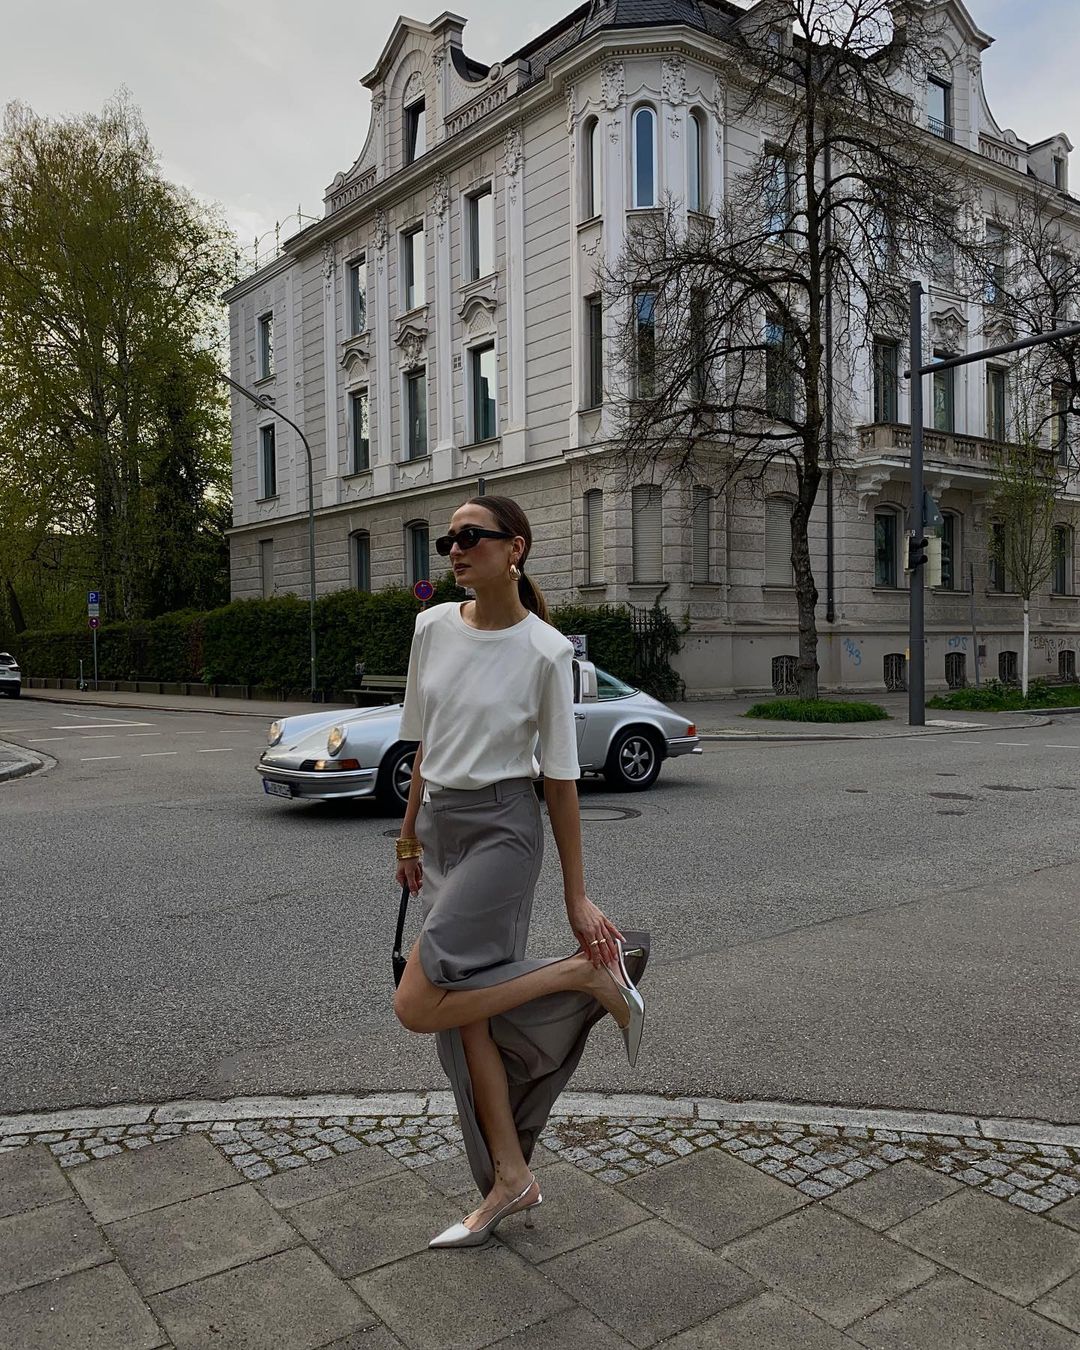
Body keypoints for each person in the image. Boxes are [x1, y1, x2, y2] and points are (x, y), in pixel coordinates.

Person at [393, 494, 649, 1249]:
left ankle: (584, 976)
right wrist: (408, 836)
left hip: (506, 831)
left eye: (471, 537)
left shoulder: (546, 650)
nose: (454, 550)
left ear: (516, 549)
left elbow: (561, 779)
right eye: (448, 540)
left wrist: (575, 893)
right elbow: (423, 743)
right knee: (467, 1012)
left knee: (417, 1003)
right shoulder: (430, 627)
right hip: (441, 827)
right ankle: (511, 1179)